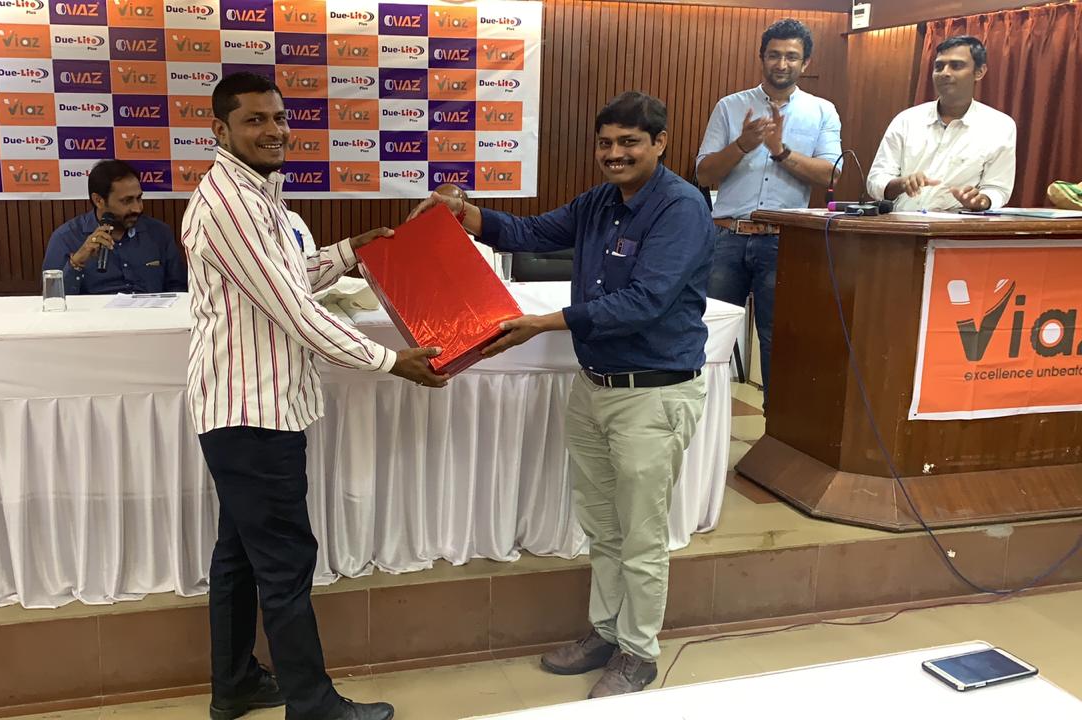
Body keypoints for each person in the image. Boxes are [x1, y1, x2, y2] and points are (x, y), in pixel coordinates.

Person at [409, 91, 713, 699]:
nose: (614, 154)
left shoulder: (681, 208)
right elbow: (528, 231)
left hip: (652, 395)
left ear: (660, 143)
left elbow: (645, 302)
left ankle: (639, 652)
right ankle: (606, 631)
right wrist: (462, 212)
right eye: (605, 143)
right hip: (594, 387)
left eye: (629, 142)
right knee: (601, 527)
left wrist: (544, 324)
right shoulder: (600, 201)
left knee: (641, 535)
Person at [181, 71, 445, 720]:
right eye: (254, 120)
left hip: (249, 410)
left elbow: (287, 277)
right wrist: (391, 361)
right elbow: (296, 311)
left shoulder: (255, 193)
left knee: (241, 558)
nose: (273, 130)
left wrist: (351, 251)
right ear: (220, 130)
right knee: (285, 564)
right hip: (253, 415)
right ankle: (314, 706)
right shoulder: (229, 202)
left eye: (278, 117)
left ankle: (235, 685)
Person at [694, 18, 842, 395]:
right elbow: (704, 174)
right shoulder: (730, 107)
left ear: (805, 63)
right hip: (726, 238)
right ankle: (699, 419)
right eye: (774, 55)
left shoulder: (822, 111)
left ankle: (774, 426)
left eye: (791, 56)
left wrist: (780, 151)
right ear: (761, 57)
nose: (782, 63)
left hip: (783, 241)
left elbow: (830, 174)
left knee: (778, 340)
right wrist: (742, 145)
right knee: (707, 334)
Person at [867, 35, 1016, 212]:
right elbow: (875, 180)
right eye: (939, 66)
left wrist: (982, 200)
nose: (945, 73)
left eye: (956, 66)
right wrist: (900, 184)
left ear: (979, 72)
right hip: (902, 222)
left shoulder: (999, 126)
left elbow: (998, 189)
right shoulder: (907, 120)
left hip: (957, 226)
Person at [43, 159, 188, 294]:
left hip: (153, 312)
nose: (137, 208)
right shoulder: (66, 238)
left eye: (139, 198)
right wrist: (76, 262)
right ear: (98, 200)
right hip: (96, 313)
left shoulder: (159, 233)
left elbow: (179, 289)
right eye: (127, 201)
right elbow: (52, 296)